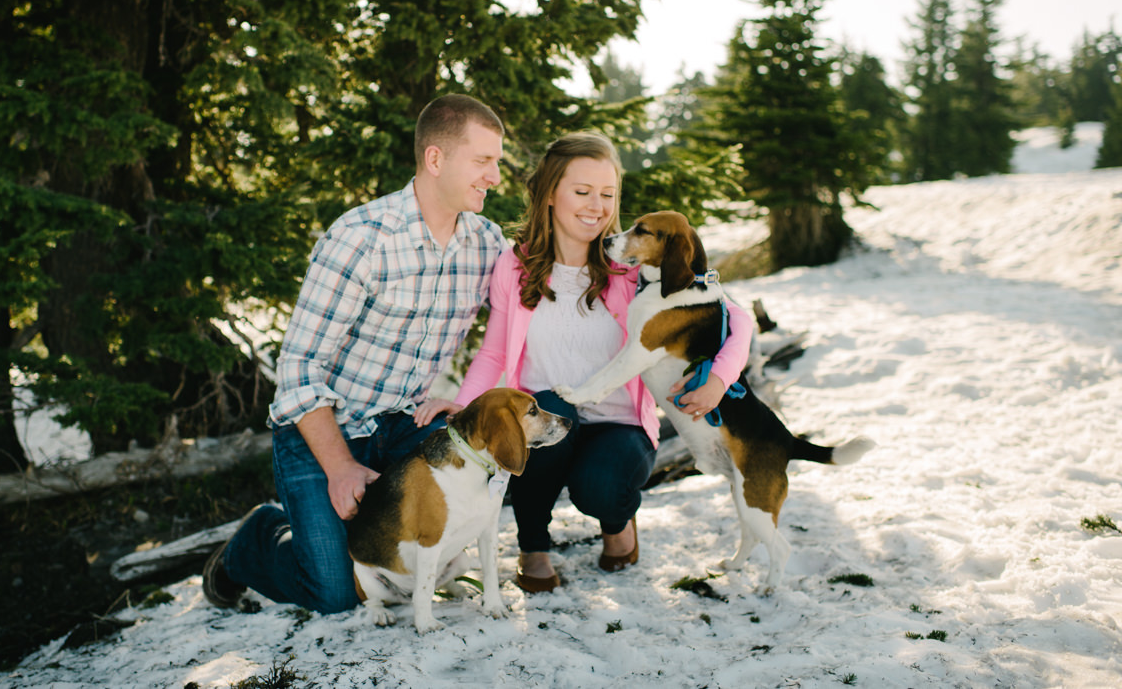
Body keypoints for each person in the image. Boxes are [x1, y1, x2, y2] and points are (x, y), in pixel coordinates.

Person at [202, 94, 508, 614]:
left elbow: (525, 311)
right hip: (324, 428)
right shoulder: (361, 238)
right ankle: (255, 539)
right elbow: (298, 370)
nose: (495, 177)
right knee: (336, 592)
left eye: (496, 163)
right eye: (483, 161)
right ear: (435, 159)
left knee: (491, 468)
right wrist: (340, 466)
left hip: (405, 422)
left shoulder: (486, 244)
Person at [415, 131, 751, 591]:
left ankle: (618, 528)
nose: (597, 206)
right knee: (550, 410)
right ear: (552, 193)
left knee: (601, 485)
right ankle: (533, 546)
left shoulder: (630, 266)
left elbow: (737, 316)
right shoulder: (515, 266)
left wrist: (721, 379)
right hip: (544, 417)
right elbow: (494, 350)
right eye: (582, 192)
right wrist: (466, 404)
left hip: (621, 423)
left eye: (608, 195)